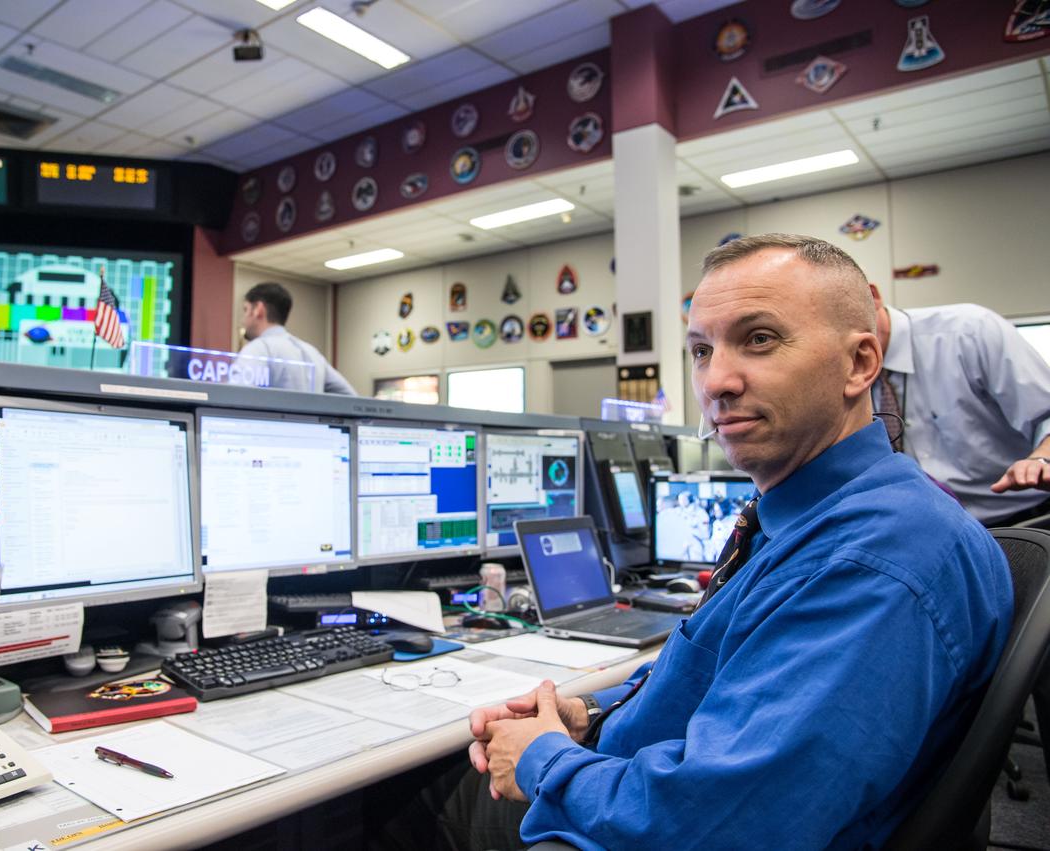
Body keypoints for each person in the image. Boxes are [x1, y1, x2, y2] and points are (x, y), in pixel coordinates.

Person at [372, 235, 1012, 850]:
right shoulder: (810, 515)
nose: (716, 382)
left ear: (860, 363)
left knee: (391, 801)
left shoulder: (871, 559)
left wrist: (542, 758)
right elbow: (715, 669)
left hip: (641, 822)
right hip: (637, 778)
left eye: (759, 340)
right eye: (702, 350)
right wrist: (587, 717)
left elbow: (716, 825)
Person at [868, 284, 1050, 526]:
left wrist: (1040, 461)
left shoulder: (970, 331)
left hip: (1026, 519)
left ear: (872, 297)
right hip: (937, 530)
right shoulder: (842, 372)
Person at [235, 282, 356, 395]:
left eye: (246, 310)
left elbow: (237, 397)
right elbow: (351, 398)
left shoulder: (258, 349)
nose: (242, 320)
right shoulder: (313, 353)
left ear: (258, 310)